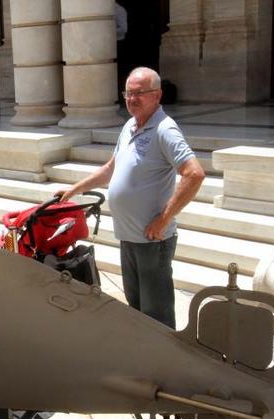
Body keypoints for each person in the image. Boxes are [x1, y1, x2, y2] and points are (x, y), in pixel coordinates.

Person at [58, 67, 205, 329]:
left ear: (157, 96)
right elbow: (110, 169)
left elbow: (194, 174)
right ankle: (143, 359)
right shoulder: (130, 125)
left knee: (156, 315)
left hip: (152, 240)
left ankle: (163, 364)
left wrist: (164, 218)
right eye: (128, 93)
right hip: (128, 236)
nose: (131, 99)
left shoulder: (164, 129)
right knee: (136, 309)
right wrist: (74, 190)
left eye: (139, 93)